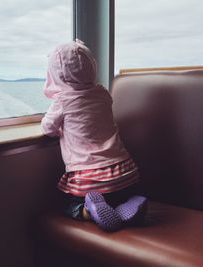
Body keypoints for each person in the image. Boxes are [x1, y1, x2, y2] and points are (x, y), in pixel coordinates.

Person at [41, 39, 147, 231]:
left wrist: (59, 128)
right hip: (125, 174)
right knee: (115, 195)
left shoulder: (63, 100)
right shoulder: (103, 94)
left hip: (89, 180)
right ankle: (125, 203)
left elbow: (48, 128)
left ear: (58, 76)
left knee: (63, 203)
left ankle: (86, 211)